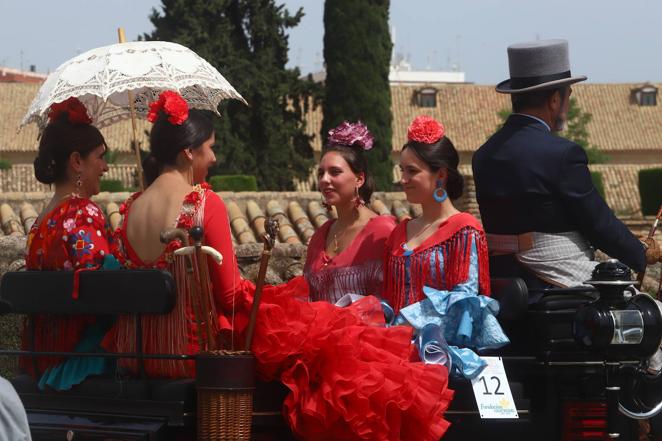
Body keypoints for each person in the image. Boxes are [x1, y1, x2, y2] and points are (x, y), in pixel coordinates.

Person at [106, 91, 453, 441]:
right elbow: (227, 295)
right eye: (209, 147)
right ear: (188, 152)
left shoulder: (129, 209)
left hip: (140, 354)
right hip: (189, 354)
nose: (213, 156)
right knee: (309, 347)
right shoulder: (202, 203)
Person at [472, 39, 662, 291]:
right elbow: (597, 223)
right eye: (568, 96)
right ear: (554, 100)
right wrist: (640, 251)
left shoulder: (483, 155)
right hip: (555, 283)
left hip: (502, 286)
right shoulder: (562, 154)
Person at [384, 116, 508, 378]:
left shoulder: (464, 229)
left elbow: (464, 302)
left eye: (412, 171)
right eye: (402, 170)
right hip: (391, 352)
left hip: (438, 359)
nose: (403, 179)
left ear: (440, 174)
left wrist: (406, 326)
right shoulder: (399, 231)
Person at [22, 97, 113, 390]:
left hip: (41, 357)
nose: (106, 167)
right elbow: (104, 290)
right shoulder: (83, 213)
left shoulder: (40, 222)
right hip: (79, 358)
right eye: (100, 157)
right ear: (76, 161)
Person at [304, 121, 396, 302]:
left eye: (335, 172)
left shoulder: (383, 232)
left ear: (359, 179)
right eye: (321, 173)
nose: (324, 180)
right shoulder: (320, 236)